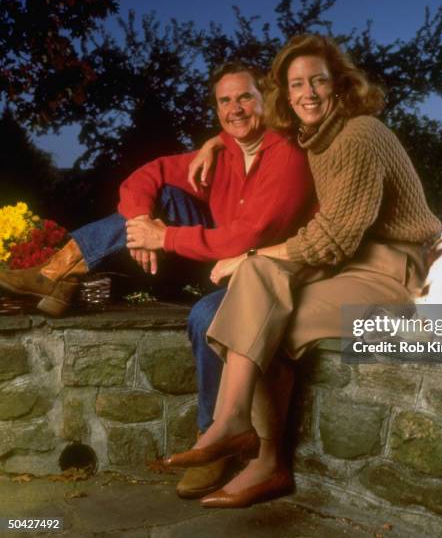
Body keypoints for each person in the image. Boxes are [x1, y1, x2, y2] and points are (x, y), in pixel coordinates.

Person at [0, 62, 315, 498]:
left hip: (267, 281)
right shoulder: (221, 152)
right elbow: (146, 176)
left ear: (266, 100)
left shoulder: (287, 155)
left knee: (205, 316)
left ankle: (215, 443)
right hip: (218, 265)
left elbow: (250, 236)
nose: (235, 109)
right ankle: (60, 271)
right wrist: (143, 221)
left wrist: (163, 236)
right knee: (162, 195)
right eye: (225, 101)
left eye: (245, 97)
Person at [164, 34, 442, 508]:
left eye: (318, 81)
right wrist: (216, 142)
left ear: (339, 86)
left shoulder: (359, 135)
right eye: (296, 85)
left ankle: (267, 461)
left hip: (398, 272)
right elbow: (251, 135)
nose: (307, 93)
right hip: (352, 266)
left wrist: (244, 257)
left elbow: (333, 238)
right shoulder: (316, 138)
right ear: (285, 95)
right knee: (258, 283)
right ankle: (232, 424)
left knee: (268, 305)